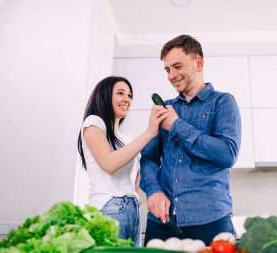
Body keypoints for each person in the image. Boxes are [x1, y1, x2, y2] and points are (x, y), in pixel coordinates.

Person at [140, 35, 242, 246]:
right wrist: (153, 191)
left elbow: (227, 154)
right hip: (162, 220)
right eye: (167, 69)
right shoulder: (164, 108)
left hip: (211, 219)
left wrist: (176, 126)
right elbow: (148, 158)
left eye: (177, 66)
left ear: (199, 62)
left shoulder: (223, 102)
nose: (172, 75)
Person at [77, 76, 168, 247]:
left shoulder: (125, 137)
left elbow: (134, 179)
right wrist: (149, 132)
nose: (127, 99)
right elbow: (109, 164)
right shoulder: (93, 122)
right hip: (109, 208)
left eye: (129, 95)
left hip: (132, 209)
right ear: (104, 96)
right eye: (120, 93)